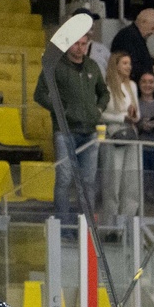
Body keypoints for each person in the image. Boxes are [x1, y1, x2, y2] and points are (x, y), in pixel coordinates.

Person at [36, 12, 107, 218]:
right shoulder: (55, 65)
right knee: (64, 180)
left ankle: (86, 226)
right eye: (76, 43)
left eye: (83, 44)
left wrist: (99, 109)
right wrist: (61, 110)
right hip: (65, 131)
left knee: (88, 182)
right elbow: (39, 94)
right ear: (68, 44)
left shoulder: (92, 65)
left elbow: (104, 92)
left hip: (90, 130)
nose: (80, 48)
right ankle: (63, 226)